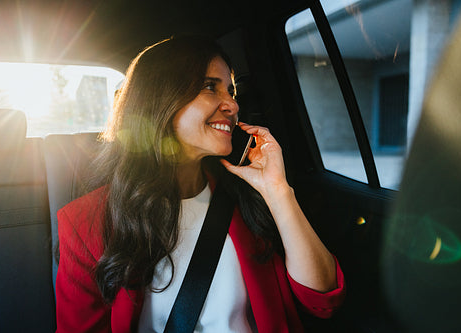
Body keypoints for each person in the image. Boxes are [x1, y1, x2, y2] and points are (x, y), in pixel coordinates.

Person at [55, 36, 345, 333]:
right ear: (160, 98)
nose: (232, 104)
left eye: (232, 91)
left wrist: (279, 191)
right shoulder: (87, 222)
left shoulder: (245, 195)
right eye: (210, 87)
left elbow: (322, 300)